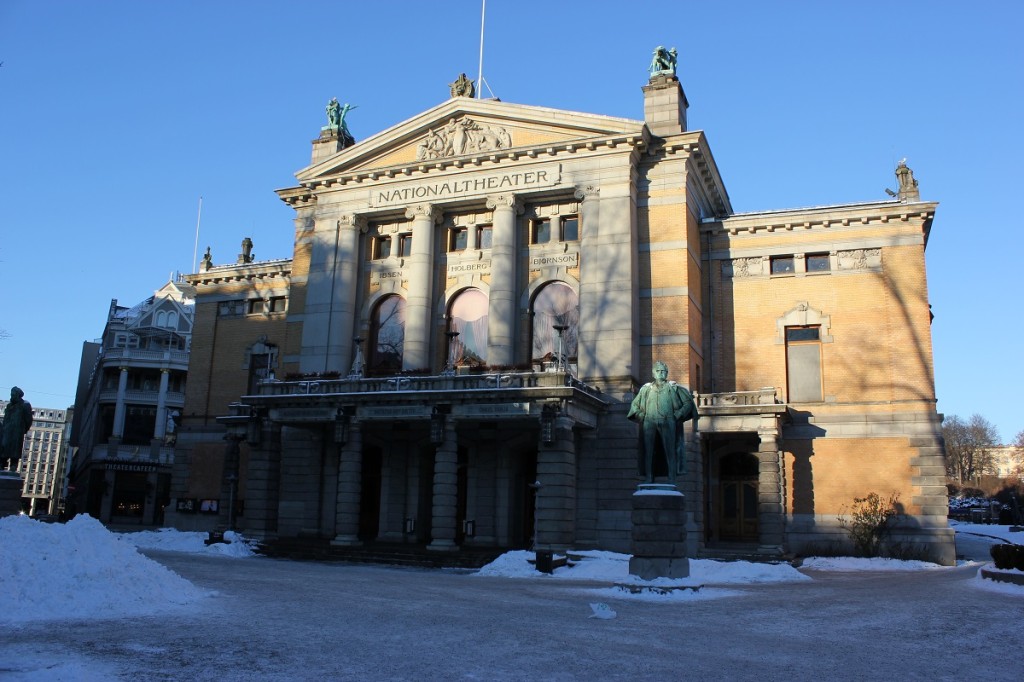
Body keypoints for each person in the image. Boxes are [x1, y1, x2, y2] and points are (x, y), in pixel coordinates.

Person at [627, 362, 697, 484]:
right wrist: (641, 415)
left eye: (663, 371)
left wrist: (678, 414)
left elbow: (688, 403)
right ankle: (649, 478)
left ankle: (672, 478)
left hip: (668, 420)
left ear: (667, 373)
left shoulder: (674, 388)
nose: (661, 373)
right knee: (649, 451)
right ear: (653, 373)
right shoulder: (646, 389)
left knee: (670, 450)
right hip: (649, 422)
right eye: (658, 371)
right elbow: (634, 405)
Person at [1, 387, 33, 470]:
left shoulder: (25, 405)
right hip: (6, 432)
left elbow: (29, 419)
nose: (11, 396)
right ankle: (2, 464)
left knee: (15, 452)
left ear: (18, 395)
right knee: (3, 450)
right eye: (11, 394)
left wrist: (23, 430)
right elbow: (5, 419)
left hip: (17, 432)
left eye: (13, 394)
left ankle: (13, 466)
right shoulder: (9, 406)